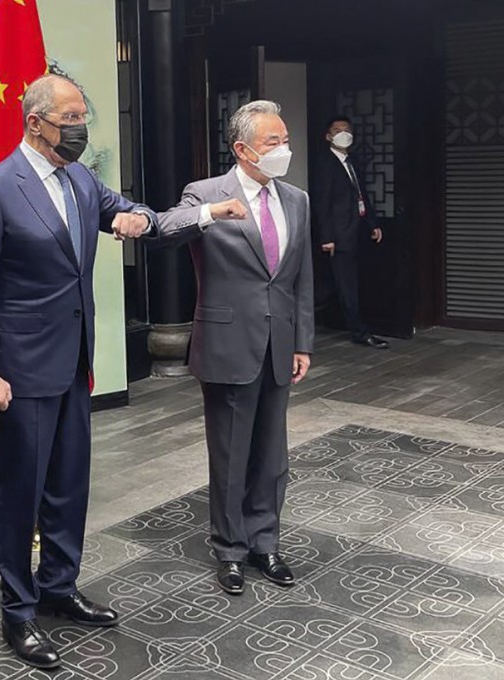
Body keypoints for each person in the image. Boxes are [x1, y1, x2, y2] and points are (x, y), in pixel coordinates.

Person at [0, 74, 156, 670]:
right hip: (17, 373)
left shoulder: (81, 178)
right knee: (19, 495)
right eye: (69, 117)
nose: (80, 127)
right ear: (35, 121)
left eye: (81, 116)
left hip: (73, 364)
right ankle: (18, 611)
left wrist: (138, 217)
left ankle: (58, 589)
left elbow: (127, 209)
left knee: (69, 486)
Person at [158, 100, 314, 596]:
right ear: (243, 149)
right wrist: (209, 214)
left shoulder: (296, 199)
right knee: (230, 454)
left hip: (280, 343)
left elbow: (300, 278)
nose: (283, 149)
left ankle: (265, 541)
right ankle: (229, 549)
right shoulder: (205, 193)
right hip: (227, 344)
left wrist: (302, 341)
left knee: (272, 454)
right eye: (273, 142)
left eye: (285, 140)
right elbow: (162, 232)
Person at [312, 116, 389, 349]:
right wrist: (327, 237)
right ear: (328, 136)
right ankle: (359, 332)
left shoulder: (352, 161)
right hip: (338, 235)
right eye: (337, 130)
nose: (343, 133)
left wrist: (372, 224)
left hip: (356, 231)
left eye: (347, 130)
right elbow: (322, 203)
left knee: (339, 285)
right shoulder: (325, 164)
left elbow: (361, 196)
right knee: (344, 287)